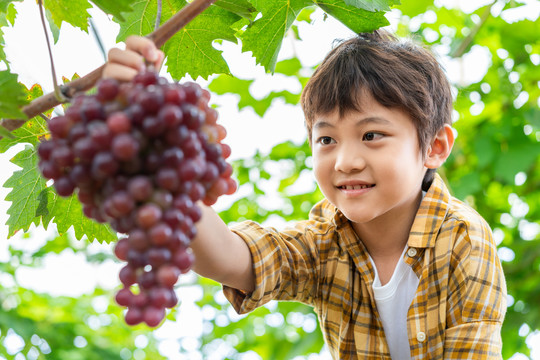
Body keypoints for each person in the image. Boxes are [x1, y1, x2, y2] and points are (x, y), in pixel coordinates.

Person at [103, 30, 507, 359]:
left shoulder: (464, 241)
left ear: (435, 147)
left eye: (372, 135)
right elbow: (230, 257)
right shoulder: (325, 244)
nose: (346, 161)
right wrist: (150, 137)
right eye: (326, 138)